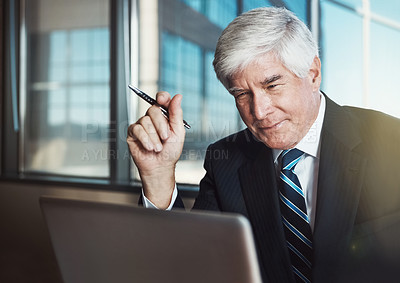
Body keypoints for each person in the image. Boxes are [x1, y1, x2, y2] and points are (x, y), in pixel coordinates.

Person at [127, 7, 400, 283]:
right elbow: (190, 267)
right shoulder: (226, 162)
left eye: (272, 86)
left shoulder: (392, 143)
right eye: (242, 94)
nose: (258, 111)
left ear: (313, 73)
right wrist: (159, 177)